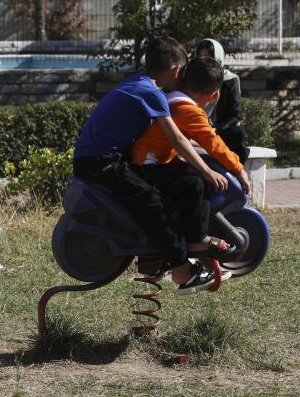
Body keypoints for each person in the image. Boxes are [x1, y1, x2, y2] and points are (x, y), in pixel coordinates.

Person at [72, 37, 230, 293]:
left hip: (104, 157)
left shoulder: (138, 82)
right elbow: (177, 138)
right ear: (176, 71)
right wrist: (206, 170)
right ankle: (181, 269)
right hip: (99, 161)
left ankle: (164, 252)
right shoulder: (152, 93)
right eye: (182, 75)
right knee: (149, 199)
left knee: (170, 188)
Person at [131, 57, 248, 293]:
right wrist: (239, 168)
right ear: (214, 96)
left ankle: (190, 240)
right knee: (194, 184)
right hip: (146, 166)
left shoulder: (174, 98)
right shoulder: (187, 109)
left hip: (149, 160)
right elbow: (214, 143)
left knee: (188, 177)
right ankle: (196, 241)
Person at [195, 38, 248, 164]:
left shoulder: (230, 80)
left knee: (238, 133)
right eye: (201, 57)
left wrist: (216, 129)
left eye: (208, 57)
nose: (204, 61)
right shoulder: (193, 78)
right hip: (197, 128)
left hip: (218, 130)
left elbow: (235, 115)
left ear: (217, 58)